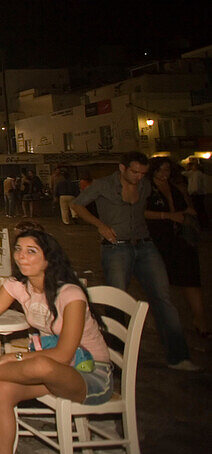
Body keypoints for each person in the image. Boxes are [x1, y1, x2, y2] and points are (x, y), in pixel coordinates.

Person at [0, 229, 112, 454]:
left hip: (89, 373)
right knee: (1, 388)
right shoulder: (19, 285)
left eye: (31, 251)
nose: (22, 256)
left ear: (49, 258)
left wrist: (13, 356)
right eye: (19, 249)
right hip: (53, 371)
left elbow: (64, 355)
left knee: (41, 364)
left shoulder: (70, 294)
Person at [71, 151, 196, 370]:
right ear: (122, 168)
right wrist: (100, 225)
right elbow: (78, 205)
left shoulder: (145, 186)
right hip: (116, 248)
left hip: (145, 244)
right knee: (116, 301)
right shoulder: (103, 185)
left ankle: (178, 356)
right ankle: (115, 361)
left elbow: (144, 210)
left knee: (163, 298)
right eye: (135, 172)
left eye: (142, 173)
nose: (139, 177)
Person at [145, 157, 207, 337]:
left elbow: (188, 207)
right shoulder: (147, 189)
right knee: (160, 283)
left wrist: (187, 213)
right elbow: (140, 212)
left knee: (191, 280)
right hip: (160, 240)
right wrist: (168, 215)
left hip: (182, 239)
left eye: (167, 170)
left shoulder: (176, 188)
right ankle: (164, 322)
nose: (165, 174)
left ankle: (200, 320)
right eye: (161, 170)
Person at [182, 158, 209, 229]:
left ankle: (203, 225)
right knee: (200, 209)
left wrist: (195, 191)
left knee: (199, 209)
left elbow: (197, 185)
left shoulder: (197, 174)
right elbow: (184, 173)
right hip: (196, 194)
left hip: (197, 194)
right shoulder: (192, 173)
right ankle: (203, 224)